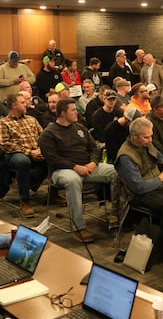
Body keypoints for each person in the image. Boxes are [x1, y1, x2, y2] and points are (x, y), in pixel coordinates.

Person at [39, 99, 119, 242]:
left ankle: (116, 213)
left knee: (116, 171)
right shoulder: (49, 133)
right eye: (73, 110)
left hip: (87, 166)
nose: (77, 112)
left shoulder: (80, 128)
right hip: (62, 171)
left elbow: (94, 148)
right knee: (73, 180)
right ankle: (79, 227)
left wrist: (93, 163)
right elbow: (53, 159)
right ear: (63, 113)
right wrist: (75, 167)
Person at [115, 118, 163, 263]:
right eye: (146, 137)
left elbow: (157, 154)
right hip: (139, 195)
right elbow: (138, 188)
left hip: (157, 187)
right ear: (134, 137)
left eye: (151, 136)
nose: (150, 140)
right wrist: (161, 177)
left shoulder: (145, 144)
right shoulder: (125, 156)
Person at [0, 94, 46, 218]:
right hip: (15, 154)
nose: (26, 104)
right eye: (23, 102)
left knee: (53, 158)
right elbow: (5, 144)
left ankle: (53, 194)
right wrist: (29, 152)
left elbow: (43, 135)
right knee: (23, 161)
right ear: (14, 105)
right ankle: (25, 201)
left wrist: (40, 149)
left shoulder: (31, 119)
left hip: (36, 150)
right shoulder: (3, 122)